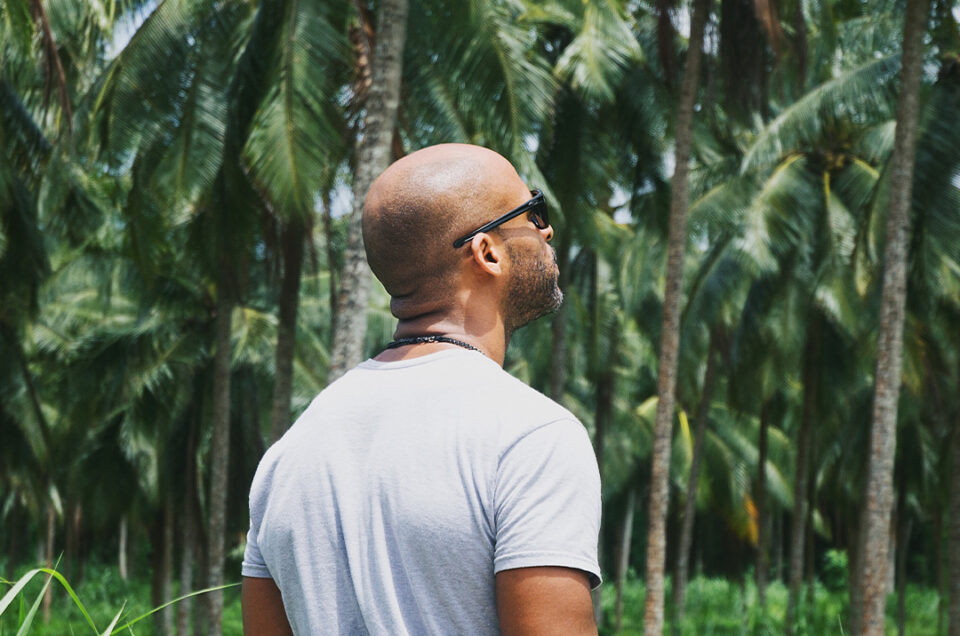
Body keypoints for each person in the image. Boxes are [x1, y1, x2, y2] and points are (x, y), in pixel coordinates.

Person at [241, 144, 601, 635]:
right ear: (487, 252)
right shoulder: (530, 436)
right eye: (532, 211)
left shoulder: (288, 456)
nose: (546, 229)